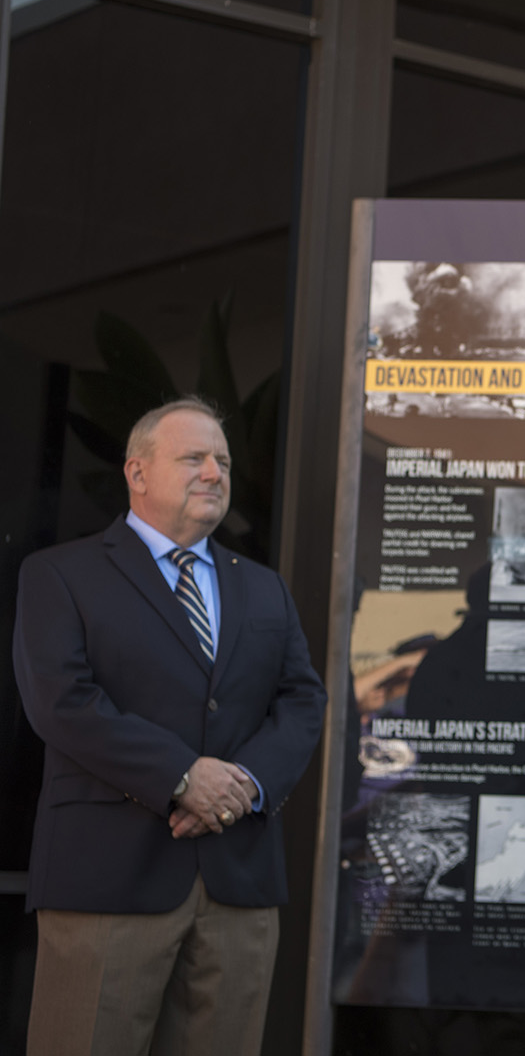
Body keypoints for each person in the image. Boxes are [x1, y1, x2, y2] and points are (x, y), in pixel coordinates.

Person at [15, 397, 327, 1055]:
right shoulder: (60, 574)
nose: (215, 471)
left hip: (238, 884)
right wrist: (181, 775)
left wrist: (242, 781)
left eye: (224, 460)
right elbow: (61, 700)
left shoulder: (264, 588)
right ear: (137, 472)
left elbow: (302, 699)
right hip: (108, 880)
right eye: (194, 457)